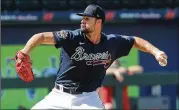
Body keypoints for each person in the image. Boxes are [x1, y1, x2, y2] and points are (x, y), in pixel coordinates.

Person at [17, 4, 167, 109]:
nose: (83, 20)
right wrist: (24, 52)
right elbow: (41, 37)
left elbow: (135, 41)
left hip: (88, 99)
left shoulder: (111, 42)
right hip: (59, 95)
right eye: (83, 18)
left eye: (87, 18)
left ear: (98, 21)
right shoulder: (72, 37)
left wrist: (156, 52)